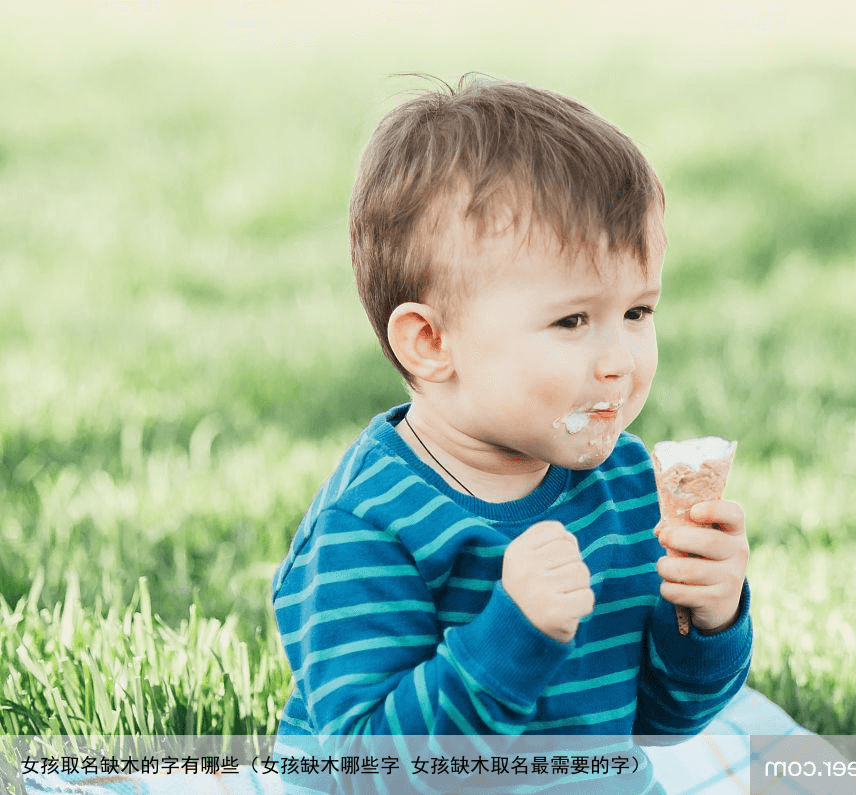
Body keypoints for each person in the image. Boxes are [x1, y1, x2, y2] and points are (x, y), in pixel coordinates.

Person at [270, 76, 753, 794]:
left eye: (639, 312)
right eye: (572, 321)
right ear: (431, 341)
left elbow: (657, 723)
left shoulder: (622, 485)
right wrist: (512, 636)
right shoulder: (370, 525)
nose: (620, 360)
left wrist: (706, 620)